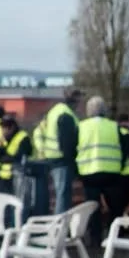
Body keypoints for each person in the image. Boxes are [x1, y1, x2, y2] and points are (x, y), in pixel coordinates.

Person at [74, 96, 128, 242]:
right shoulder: (114, 126)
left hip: (89, 173)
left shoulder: (81, 126)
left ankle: (95, 238)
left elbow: (74, 149)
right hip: (112, 173)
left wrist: (77, 171)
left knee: (93, 208)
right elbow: (124, 148)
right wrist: (119, 165)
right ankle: (113, 236)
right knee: (115, 207)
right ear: (104, 110)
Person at [30, 88, 83, 217]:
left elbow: (37, 132)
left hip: (51, 159)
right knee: (63, 195)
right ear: (75, 100)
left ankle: (57, 223)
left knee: (57, 194)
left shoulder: (54, 112)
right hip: (61, 160)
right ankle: (59, 225)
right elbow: (67, 143)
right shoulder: (66, 115)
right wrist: (73, 162)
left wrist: (42, 151)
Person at [0, 116, 33, 207]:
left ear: (12, 127)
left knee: (19, 203)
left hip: (18, 176)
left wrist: (6, 158)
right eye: (2, 128)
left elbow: (20, 157)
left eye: (5, 128)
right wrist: (6, 158)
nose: (3, 131)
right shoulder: (3, 139)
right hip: (4, 177)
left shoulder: (22, 137)